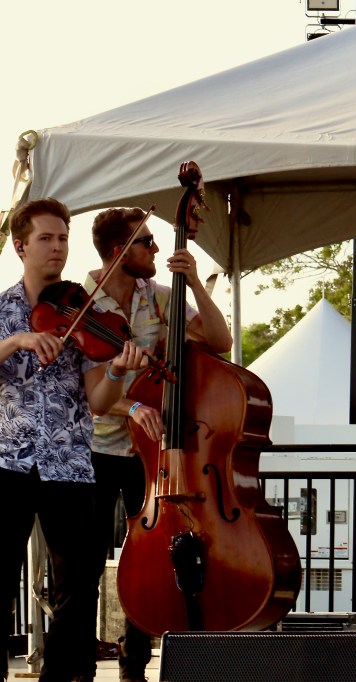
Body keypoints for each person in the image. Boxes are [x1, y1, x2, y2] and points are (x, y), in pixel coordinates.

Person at [0, 198, 146, 682]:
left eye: (63, 238)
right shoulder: (1, 310)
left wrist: (118, 372)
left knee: (78, 590)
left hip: (69, 464)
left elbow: (99, 402)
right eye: (45, 238)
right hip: (9, 463)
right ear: (20, 246)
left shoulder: (83, 311)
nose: (57, 247)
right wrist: (16, 341)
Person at [83, 207, 232, 682]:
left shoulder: (159, 296)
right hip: (93, 449)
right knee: (85, 562)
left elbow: (221, 340)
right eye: (146, 242)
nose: (156, 248)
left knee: (152, 557)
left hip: (149, 452)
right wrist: (130, 406)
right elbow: (82, 390)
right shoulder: (81, 304)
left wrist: (195, 283)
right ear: (119, 252)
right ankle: (79, 663)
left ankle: (135, 665)